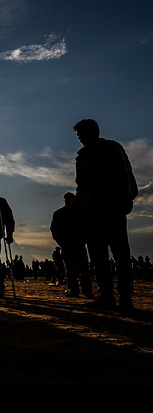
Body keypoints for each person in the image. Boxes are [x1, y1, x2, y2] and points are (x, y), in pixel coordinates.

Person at [72, 119, 138, 313]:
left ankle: (125, 299)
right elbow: (81, 186)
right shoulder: (82, 156)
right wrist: (78, 207)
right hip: (92, 214)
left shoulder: (112, 149)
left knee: (121, 257)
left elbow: (127, 176)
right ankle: (106, 297)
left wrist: (125, 201)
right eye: (78, 135)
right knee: (99, 258)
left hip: (112, 210)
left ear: (93, 132)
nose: (80, 138)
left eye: (82, 134)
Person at [50, 192, 94, 298]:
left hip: (78, 244)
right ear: (65, 200)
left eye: (71, 199)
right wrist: (61, 242)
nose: (69, 201)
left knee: (83, 269)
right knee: (71, 269)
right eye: (67, 199)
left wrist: (84, 240)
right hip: (68, 245)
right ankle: (75, 290)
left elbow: (88, 227)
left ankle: (86, 291)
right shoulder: (59, 213)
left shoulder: (81, 212)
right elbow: (54, 230)